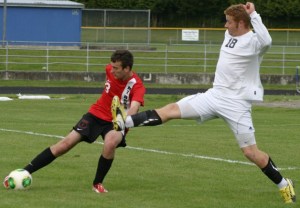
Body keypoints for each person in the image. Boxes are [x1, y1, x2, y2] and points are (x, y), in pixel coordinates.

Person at [112, 2, 296, 204]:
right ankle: (124, 122)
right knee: (171, 110)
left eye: (229, 22)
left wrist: (254, 15)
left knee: (251, 153)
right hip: (214, 96)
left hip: (236, 104)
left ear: (241, 23)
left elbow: (267, 40)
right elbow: (236, 28)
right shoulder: (229, 35)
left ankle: (284, 184)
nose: (225, 26)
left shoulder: (255, 43)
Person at [3, 49, 146, 193]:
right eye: (112, 67)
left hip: (116, 121)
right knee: (64, 145)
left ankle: (97, 184)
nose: (112, 70)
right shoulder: (109, 69)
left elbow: (134, 107)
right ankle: (23, 172)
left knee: (110, 144)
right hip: (95, 114)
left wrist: (124, 120)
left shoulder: (137, 86)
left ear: (127, 68)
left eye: (116, 68)